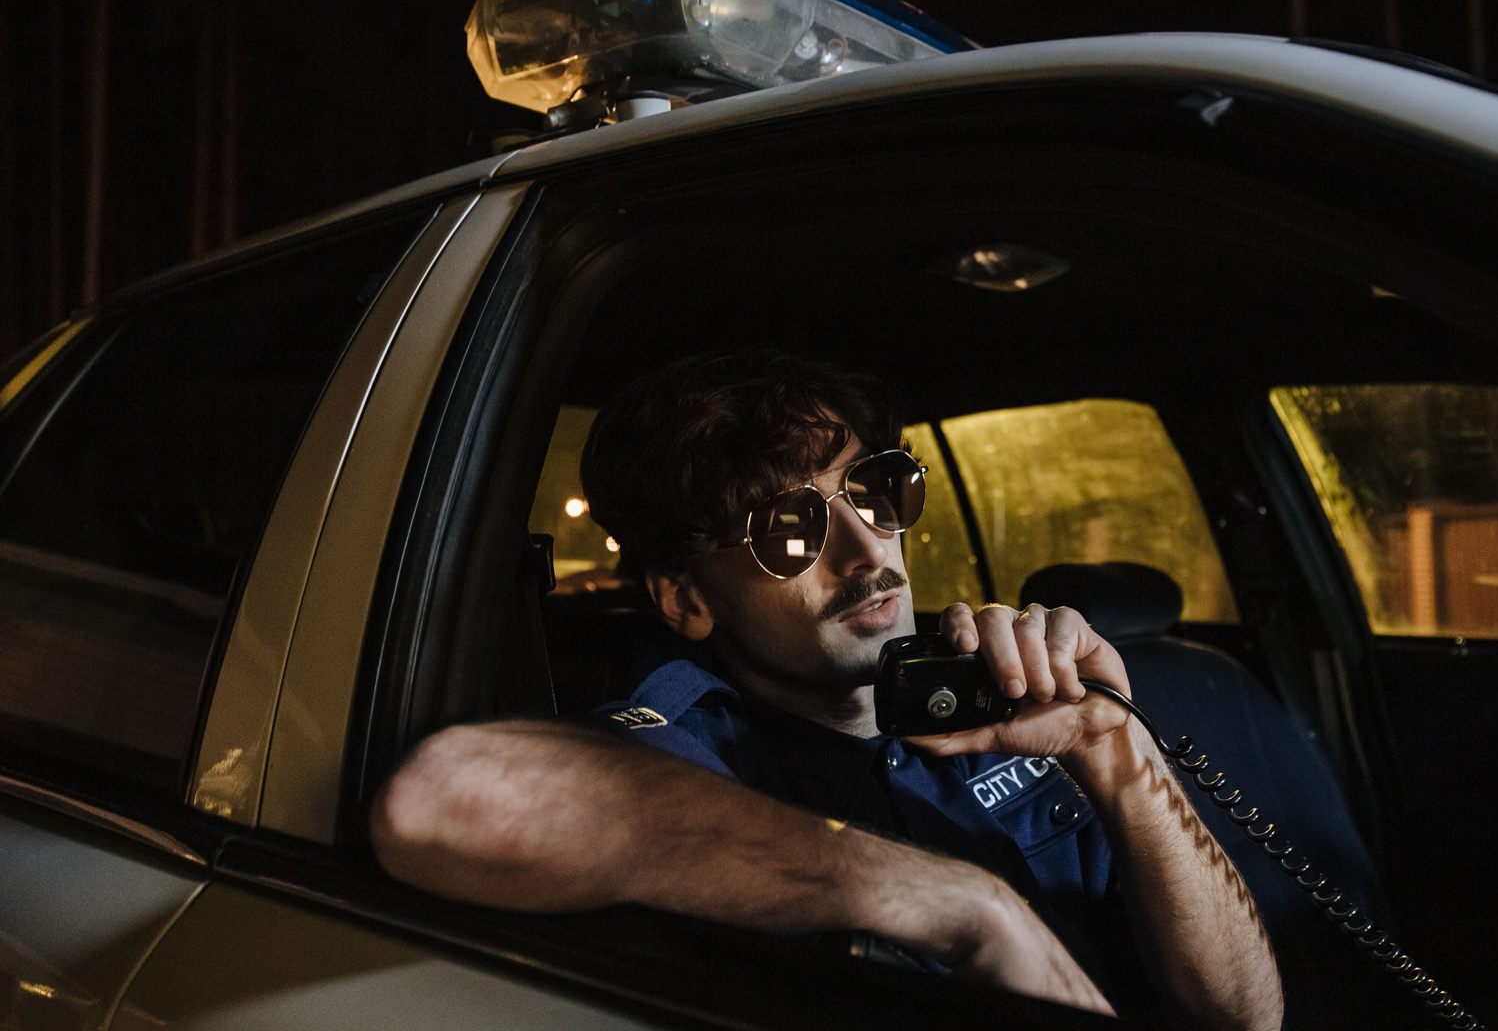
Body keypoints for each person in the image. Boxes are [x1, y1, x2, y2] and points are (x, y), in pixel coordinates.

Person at [371, 351, 1283, 1030]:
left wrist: (1115, 753)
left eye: (873, 493)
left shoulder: (1005, 693)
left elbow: (1246, 1015)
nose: (868, 553)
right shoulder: (687, 745)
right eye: (790, 531)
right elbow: (441, 796)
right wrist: (968, 908)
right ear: (686, 600)